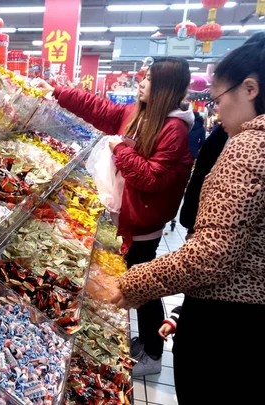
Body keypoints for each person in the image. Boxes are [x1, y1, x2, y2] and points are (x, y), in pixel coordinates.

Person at [111, 32, 265, 404]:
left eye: (217, 98)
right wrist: (179, 311)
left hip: (228, 328)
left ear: (249, 89)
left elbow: (211, 254)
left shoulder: (249, 147)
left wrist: (133, 283)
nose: (216, 111)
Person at [49, 57, 194, 376]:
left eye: (149, 79)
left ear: (165, 88)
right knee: (138, 280)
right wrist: (58, 92)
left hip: (145, 220)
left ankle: (153, 355)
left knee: (143, 285)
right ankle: (145, 340)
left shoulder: (174, 130)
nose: (141, 83)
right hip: (133, 215)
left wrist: (119, 150)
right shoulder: (139, 115)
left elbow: (152, 178)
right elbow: (102, 110)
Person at [179, 124, 228, 235]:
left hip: (212, 230)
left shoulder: (240, 141)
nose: (219, 111)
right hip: (204, 222)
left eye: (220, 105)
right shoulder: (221, 133)